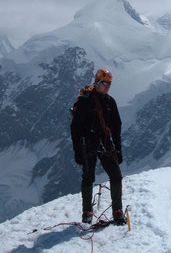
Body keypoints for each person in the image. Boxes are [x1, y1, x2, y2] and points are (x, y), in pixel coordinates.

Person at [70, 68, 126, 225]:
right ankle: (87, 212)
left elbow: (116, 127)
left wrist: (118, 149)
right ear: (97, 83)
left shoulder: (109, 102)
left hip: (104, 143)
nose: (108, 87)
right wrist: (77, 150)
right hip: (89, 143)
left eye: (109, 84)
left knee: (116, 175)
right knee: (89, 177)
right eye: (105, 84)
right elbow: (75, 129)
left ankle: (117, 210)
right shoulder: (84, 101)